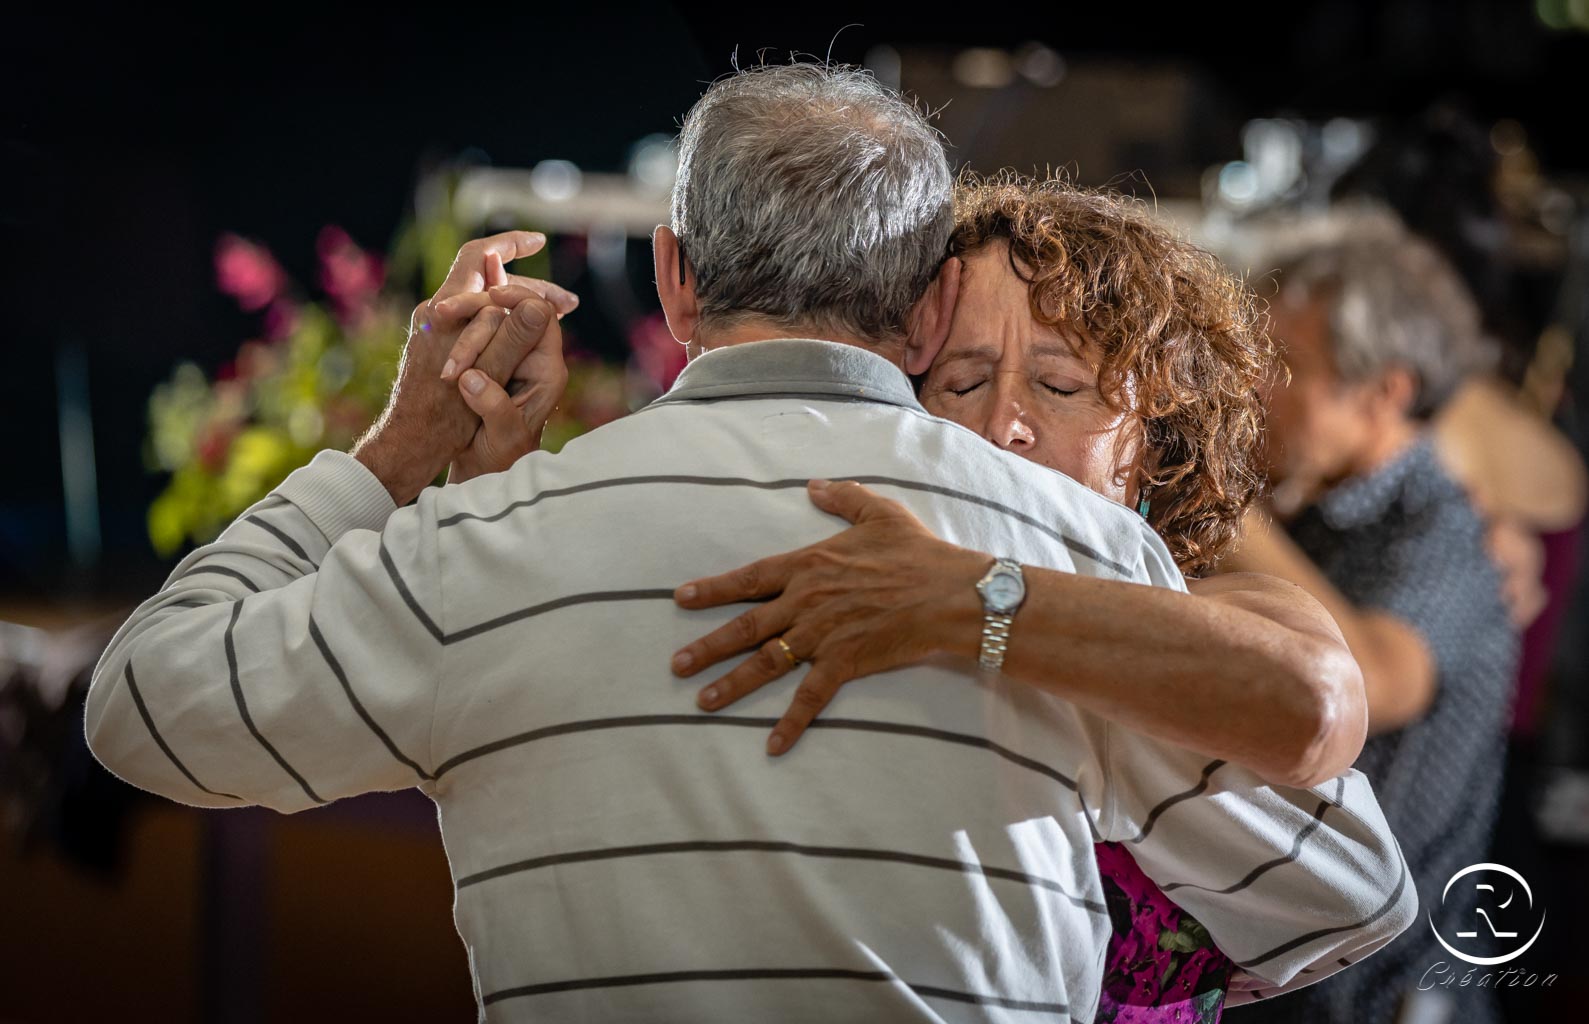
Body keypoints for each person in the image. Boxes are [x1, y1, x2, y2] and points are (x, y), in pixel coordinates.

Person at [84, 65, 1413, 1022]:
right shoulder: (1062, 548)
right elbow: (1340, 898)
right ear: (934, 296)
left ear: (672, 276)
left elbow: (147, 707)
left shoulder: (481, 554)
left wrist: (395, 451)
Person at [600, 174, 1376, 1022]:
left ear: (1155, 439)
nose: (1004, 423)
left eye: (1062, 387)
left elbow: (1322, 723)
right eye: (961, 384)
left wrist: (976, 603)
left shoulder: (1221, 607)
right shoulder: (835, 600)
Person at [1214, 213, 1518, 1024]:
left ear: (1386, 391)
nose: (1255, 386)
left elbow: (1377, 681)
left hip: (1386, 997)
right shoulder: (1312, 506)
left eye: (1288, 365)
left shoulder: (1441, 528)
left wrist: (1223, 508)